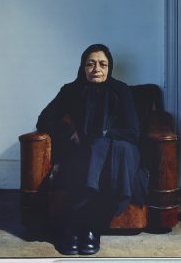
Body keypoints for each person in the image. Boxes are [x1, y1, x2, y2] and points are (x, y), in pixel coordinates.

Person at [36, 44, 147, 255]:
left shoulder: (121, 90)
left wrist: (100, 137)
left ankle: (82, 227)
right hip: (86, 152)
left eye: (102, 64)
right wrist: (70, 133)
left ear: (109, 68)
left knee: (101, 147)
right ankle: (87, 228)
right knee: (89, 153)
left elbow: (132, 131)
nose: (97, 68)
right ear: (83, 67)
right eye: (91, 64)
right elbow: (44, 120)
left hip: (121, 151)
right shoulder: (70, 90)